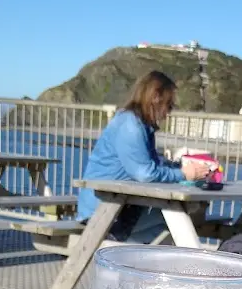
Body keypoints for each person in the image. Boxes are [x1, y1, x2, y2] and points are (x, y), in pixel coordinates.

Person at [78, 70, 211, 241]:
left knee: (186, 214)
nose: (169, 112)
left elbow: (152, 165)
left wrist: (183, 167)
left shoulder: (138, 124)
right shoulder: (131, 126)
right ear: (155, 97)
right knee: (183, 215)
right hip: (102, 214)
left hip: (117, 207)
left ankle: (137, 255)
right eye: (169, 104)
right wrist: (184, 174)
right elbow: (145, 174)